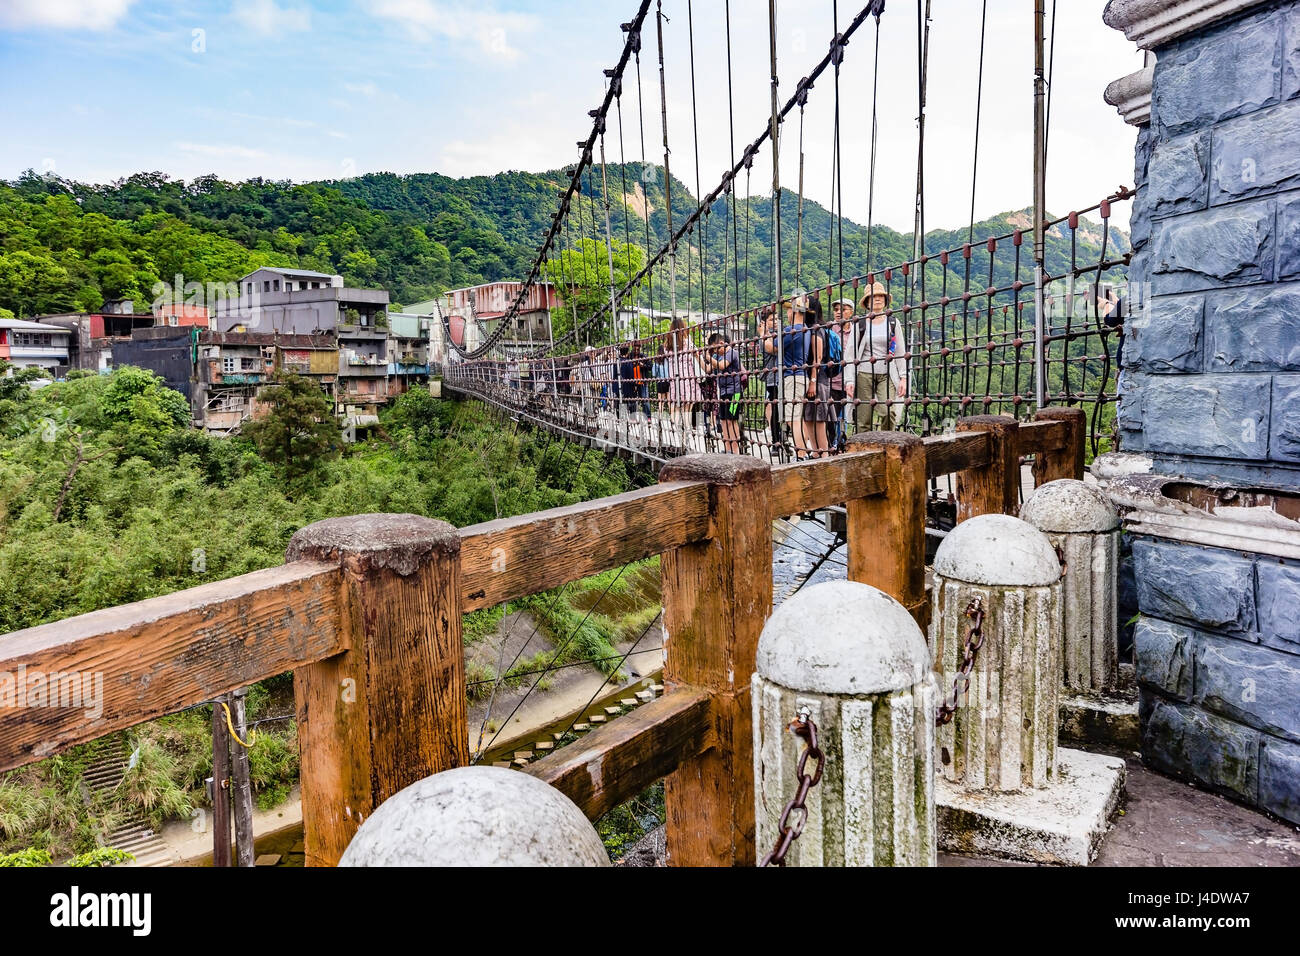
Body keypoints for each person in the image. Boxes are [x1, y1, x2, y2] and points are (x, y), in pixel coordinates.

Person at [851, 280, 908, 431]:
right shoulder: (860, 324)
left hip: (886, 372)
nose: (877, 299)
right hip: (864, 372)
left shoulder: (893, 323)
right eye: (873, 296)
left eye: (880, 296)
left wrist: (903, 377)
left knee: (888, 411)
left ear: (885, 300)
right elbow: (850, 353)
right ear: (867, 301)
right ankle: (865, 450)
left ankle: (886, 443)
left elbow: (899, 351)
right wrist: (849, 380)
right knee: (864, 417)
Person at [765, 289, 814, 460]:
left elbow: (772, 348)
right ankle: (804, 450)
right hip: (801, 377)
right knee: (798, 417)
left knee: (793, 419)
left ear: (794, 310)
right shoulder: (806, 329)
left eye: (788, 309)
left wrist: (765, 335)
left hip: (792, 378)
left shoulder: (793, 330)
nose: (786, 313)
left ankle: (800, 453)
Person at [800, 296, 832, 458]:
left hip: (818, 381)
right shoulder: (810, 329)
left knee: (819, 420)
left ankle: (823, 453)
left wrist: (812, 381)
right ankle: (816, 452)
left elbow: (817, 359)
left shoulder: (816, 330)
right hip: (814, 380)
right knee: (809, 417)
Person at [666, 317, 704, 447]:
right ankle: (687, 436)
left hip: (675, 382)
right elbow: (698, 358)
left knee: (677, 409)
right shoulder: (688, 343)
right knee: (687, 409)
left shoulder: (667, 346)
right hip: (687, 379)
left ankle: (679, 437)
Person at [705, 332, 744, 454]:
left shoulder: (732, 352)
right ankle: (728, 448)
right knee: (723, 420)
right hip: (723, 393)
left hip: (735, 392)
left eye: (716, 349)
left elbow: (722, 366)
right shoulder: (718, 356)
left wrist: (709, 358)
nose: (715, 352)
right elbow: (707, 369)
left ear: (721, 343)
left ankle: (735, 449)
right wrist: (698, 357)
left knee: (732, 420)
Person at [829, 297, 855, 451]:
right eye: (836, 309)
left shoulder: (857, 331)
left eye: (843, 309)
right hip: (833, 380)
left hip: (850, 379)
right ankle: (832, 445)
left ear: (851, 312)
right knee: (832, 416)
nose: (839, 313)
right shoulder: (830, 330)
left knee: (846, 416)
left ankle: (842, 444)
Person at [758, 305, 784, 457]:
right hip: (773, 378)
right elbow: (771, 349)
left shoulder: (778, 334)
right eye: (771, 319)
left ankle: (782, 436)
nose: (774, 322)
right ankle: (776, 440)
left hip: (783, 376)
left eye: (776, 319)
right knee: (775, 410)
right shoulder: (765, 337)